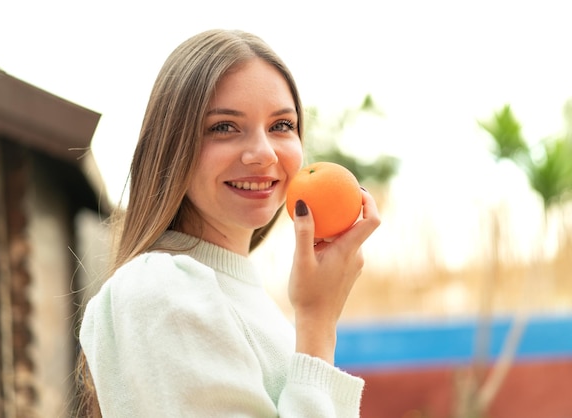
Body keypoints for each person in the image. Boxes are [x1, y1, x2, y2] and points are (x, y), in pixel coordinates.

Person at [77, 28, 381, 417]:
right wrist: (318, 321)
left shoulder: (241, 297)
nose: (263, 153)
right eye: (224, 127)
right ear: (172, 145)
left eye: (281, 125)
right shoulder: (161, 288)